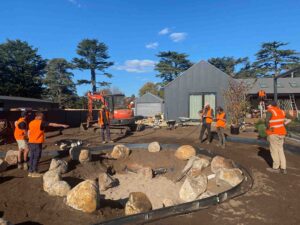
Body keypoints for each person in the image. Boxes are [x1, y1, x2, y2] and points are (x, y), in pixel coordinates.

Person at [28, 111, 69, 178]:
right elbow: (52, 124)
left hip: (31, 142)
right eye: (42, 117)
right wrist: (62, 125)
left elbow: (29, 132)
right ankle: (34, 172)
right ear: (38, 116)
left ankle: (30, 171)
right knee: (36, 157)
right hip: (37, 142)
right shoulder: (40, 122)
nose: (43, 118)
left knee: (32, 157)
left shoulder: (31, 122)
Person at [265, 101, 290, 174]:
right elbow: (287, 120)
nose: (267, 106)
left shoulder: (270, 111)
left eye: (268, 104)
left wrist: (268, 128)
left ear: (271, 105)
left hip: (274, 133)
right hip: (282, 132)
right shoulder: (281, 111)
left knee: (274, 150)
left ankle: (276, 168)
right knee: (280, 149)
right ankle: (283, 168)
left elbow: (267, 121)